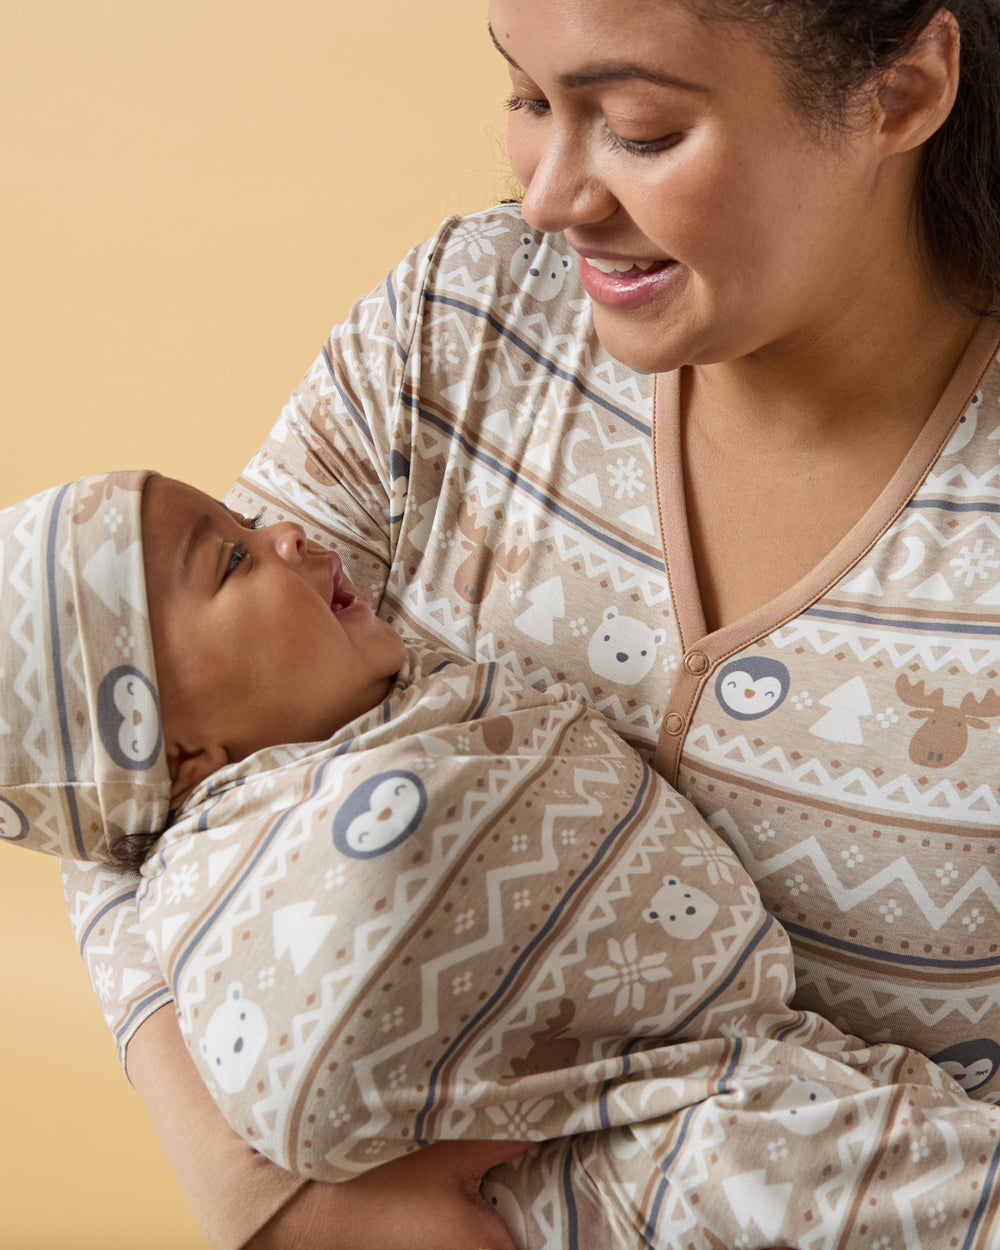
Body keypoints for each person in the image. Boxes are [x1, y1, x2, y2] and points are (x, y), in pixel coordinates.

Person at [52, 0, 1000, 1245]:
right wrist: (274, 1200)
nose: (551, 195)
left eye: (642, 129)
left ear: (906, 90)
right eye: (527, 99)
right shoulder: (456, 325)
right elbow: (101, 730)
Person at [3, 469, 999, 1250]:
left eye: (246, 523)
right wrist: (259, 1194)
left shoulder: (323, 709)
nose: (289, 531)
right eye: (231, 560)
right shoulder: (266, 855)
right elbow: (290, 1045)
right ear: (176, 755)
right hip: (676, 1162)